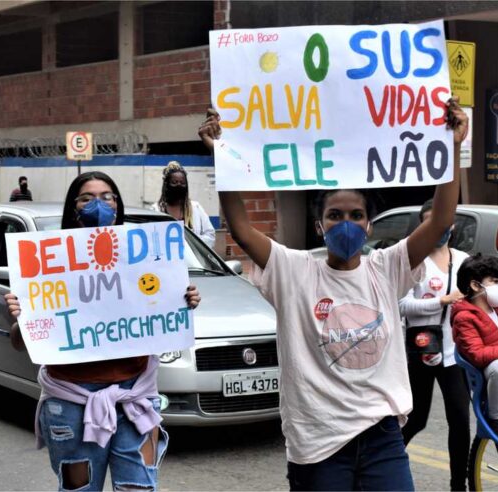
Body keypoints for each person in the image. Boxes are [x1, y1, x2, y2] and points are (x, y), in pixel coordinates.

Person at [199, 99, 467, 490]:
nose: (346, 223)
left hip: (382, 436)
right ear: (319, 225)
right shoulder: (293, 270)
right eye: (335, 215)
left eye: (356, 215)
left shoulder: (387, 267)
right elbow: (240, 228)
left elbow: (442, 218)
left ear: (370, 225)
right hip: (318, 442)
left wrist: (453, 145)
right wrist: (221, 155)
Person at [4, 171, 201, 491]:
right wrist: (20, 320)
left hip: (135, 398)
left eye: (108, 197)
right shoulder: (48, 263)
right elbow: (20, 343)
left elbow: (161, 313)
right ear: (74, 207)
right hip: (70, 403)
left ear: (118, 204)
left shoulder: (143, 259)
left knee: (139, 487)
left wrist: (182, 300)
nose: (100, 204)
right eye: (87, 198)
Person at [399, 199, 470, 491]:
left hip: (455, 354)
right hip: (423, 348)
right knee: (416, 419)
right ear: (423, 226)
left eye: (442, 222)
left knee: (461, 422)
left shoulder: (463, 259)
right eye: (430, 223)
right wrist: (440, 301)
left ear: (451, 225)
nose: (438, 229)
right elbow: (401, 305)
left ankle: (458, 485)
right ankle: (380, 462)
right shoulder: (415, 262)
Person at [451, 255, 498, 429]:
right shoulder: (464, 317)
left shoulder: (495, 307)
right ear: (475, 285)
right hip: (489, 374)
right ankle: (495, 418)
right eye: (495, 281)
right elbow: (477, 355)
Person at [151, 161, 216, 248]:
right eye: (174, 182)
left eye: (182, 183)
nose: (179, 185)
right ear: (166, 185)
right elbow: (151, 239)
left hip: (192, 259)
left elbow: (210, 235)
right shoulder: (156, 210)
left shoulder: (195, 208)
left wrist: (190, 242)